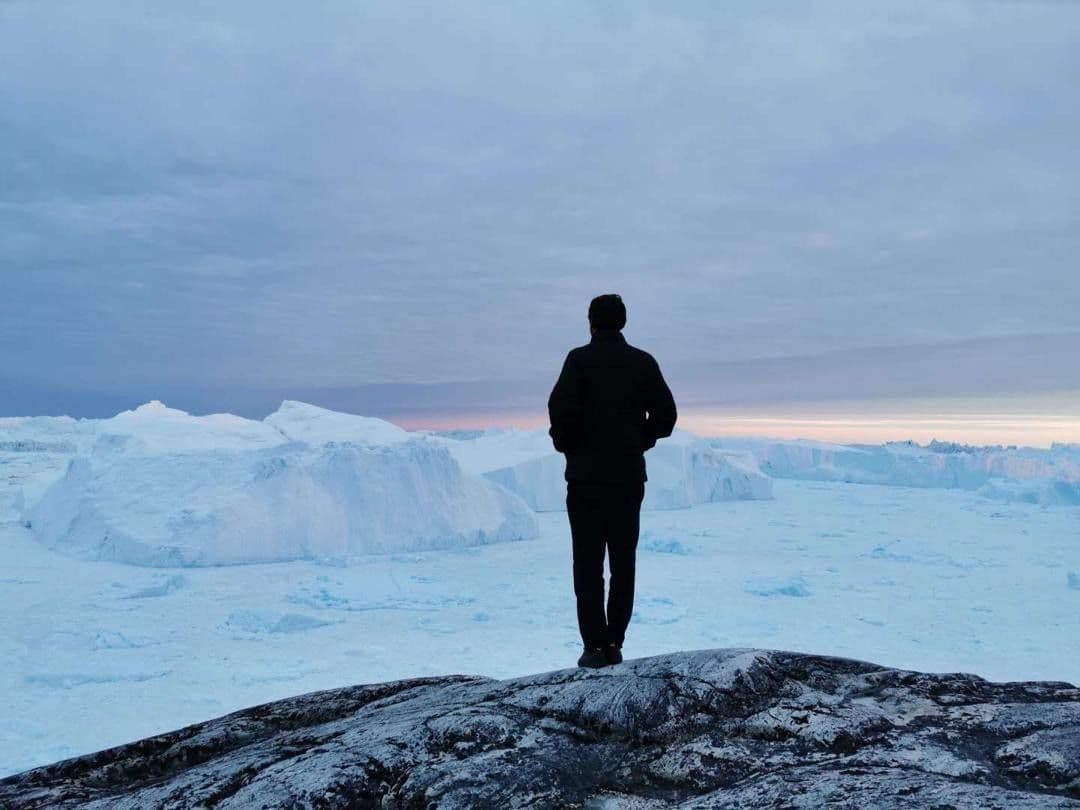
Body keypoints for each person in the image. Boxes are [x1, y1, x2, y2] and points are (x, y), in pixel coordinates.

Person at [547, 294, 677, 668]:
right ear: (623, 322)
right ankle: (615, 642)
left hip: (585, 481)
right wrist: (641, 438)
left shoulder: (578, 361)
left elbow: (559, 409)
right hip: (627, 479)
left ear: (591, 323)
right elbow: (666, 415)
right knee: (623, 562)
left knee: (587, 564)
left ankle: (593, 647)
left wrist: (568, 445)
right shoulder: (642, 362)